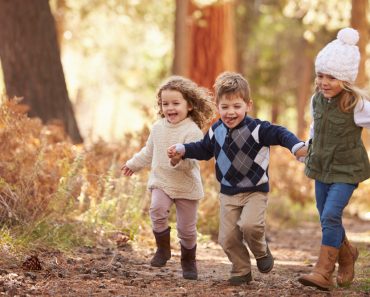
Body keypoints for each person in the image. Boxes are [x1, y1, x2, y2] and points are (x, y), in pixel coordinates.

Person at [168, 71, 306, 285]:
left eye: (236, 107)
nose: (230, 112)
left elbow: (280, 133)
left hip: (255, 189)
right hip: (228, 192)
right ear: (218, 107)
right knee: (227, 238)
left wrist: (296, 146)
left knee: (251, 226)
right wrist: (183, 149)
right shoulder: (216, 131)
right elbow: (204, 150)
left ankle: (261, 252)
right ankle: (241, 269)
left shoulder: (257, 129)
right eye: (225, 107)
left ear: (248, 105)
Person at [121, 76, 215, 280]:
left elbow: (192, 163)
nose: (170, 108)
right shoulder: (158, 128)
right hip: (162, 180)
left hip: (186, 185)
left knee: (187, 230)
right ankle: (163, 249)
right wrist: (132, 164)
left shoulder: (193, 131)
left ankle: (188, 261)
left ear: (189, 105)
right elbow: (148, 152)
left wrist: (177, 160)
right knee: (156, 209)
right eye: (165, 104)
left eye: (176, 103)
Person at [298, 27, 370, 291]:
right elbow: (316, 128)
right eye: (320, 75)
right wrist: (307, 148)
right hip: (321, 166)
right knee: (326, 218)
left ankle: (322, 272)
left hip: (347, 169)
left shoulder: (356, 104)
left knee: (330, 214)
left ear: (346, 79)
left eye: (332, 77)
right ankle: (347, 253)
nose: (324, 82)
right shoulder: (317, 100)